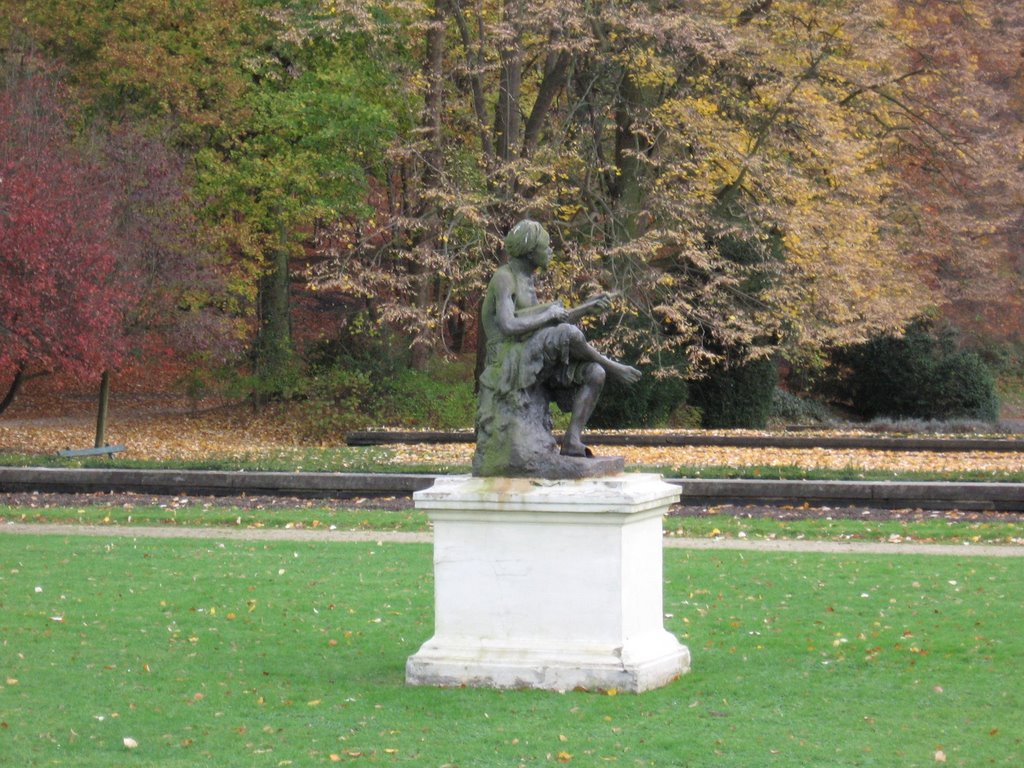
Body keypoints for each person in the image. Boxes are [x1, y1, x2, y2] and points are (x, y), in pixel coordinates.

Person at [477, 219, 641, 459]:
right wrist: (549, 314)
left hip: (528, 354)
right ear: (530, 251)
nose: (550, 251)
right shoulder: (504, 277)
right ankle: (613, 366)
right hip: (508, 358)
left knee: (595, 373)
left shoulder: (528, 280)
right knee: (569, 333)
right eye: (546, 246)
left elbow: (551, 320)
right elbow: (508, 325)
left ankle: (572, 441)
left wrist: (586, 308)